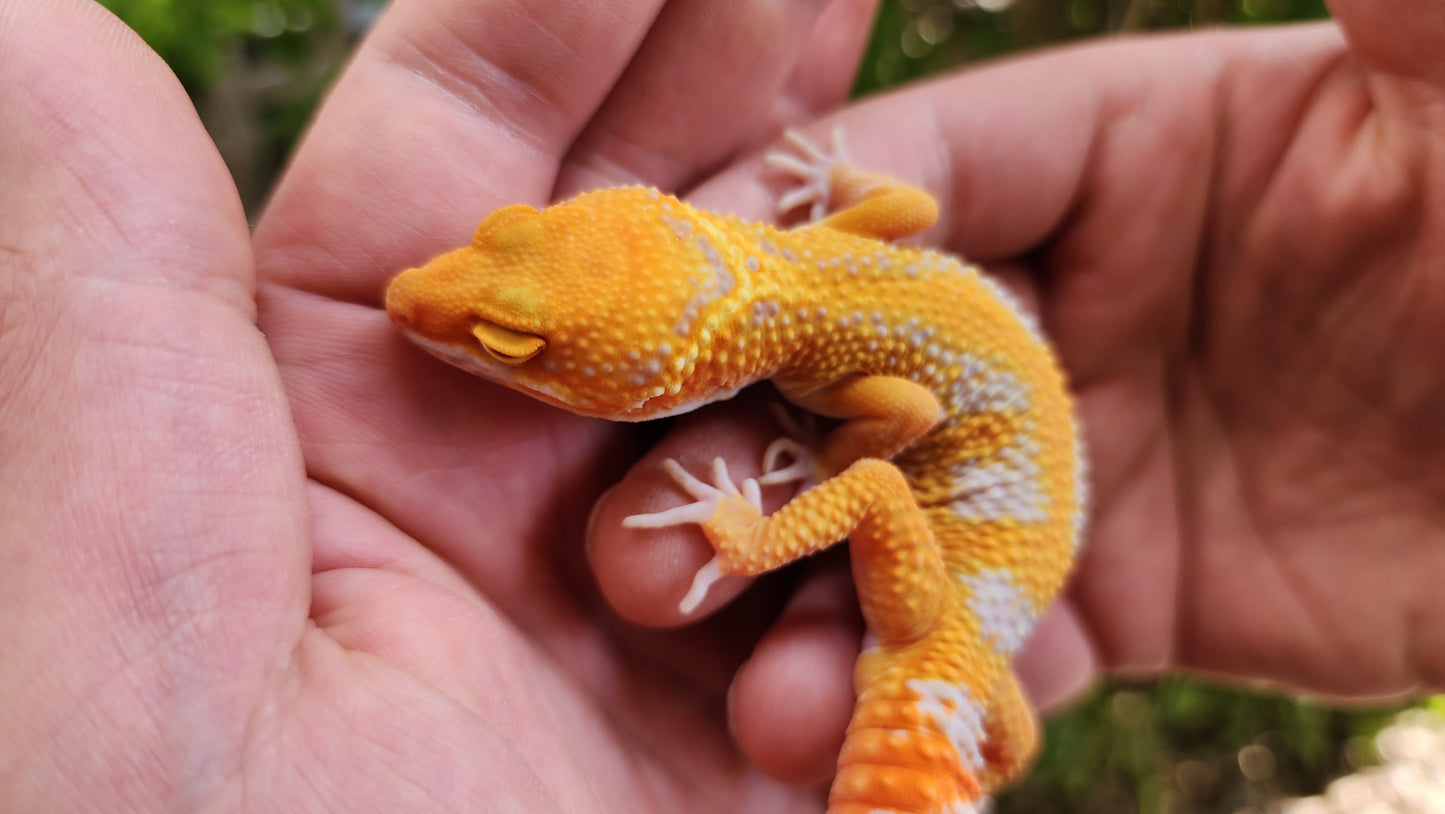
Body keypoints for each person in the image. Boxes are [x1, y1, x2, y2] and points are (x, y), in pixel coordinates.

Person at [1, 0, 1439, 809]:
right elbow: (907, 219)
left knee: (896, 589)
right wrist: (841, 212)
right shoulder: (817, 278)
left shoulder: (820, 351)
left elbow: (891, 456)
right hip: (965, 624)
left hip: (954, 603)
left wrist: (758, 538)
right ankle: (958, 750)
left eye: (515, 341)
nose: (431, 302)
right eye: (508, 288)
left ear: (679, 370)